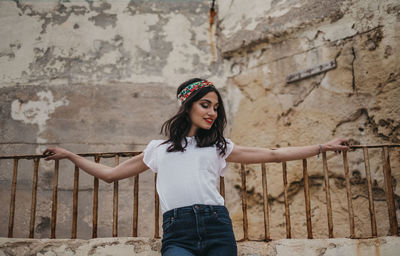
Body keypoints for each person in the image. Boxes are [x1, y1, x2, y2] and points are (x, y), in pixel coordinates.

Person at [43, 78, 349, 256]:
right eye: (206, 105)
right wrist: (70, 155)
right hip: (177, 231)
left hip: (216, 225)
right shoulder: (158, 150)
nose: (213, 112)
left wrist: (322, 147)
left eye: (216, 108)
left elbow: (272, 155)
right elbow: (109, 175)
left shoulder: (218, 147)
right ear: (187, 106)